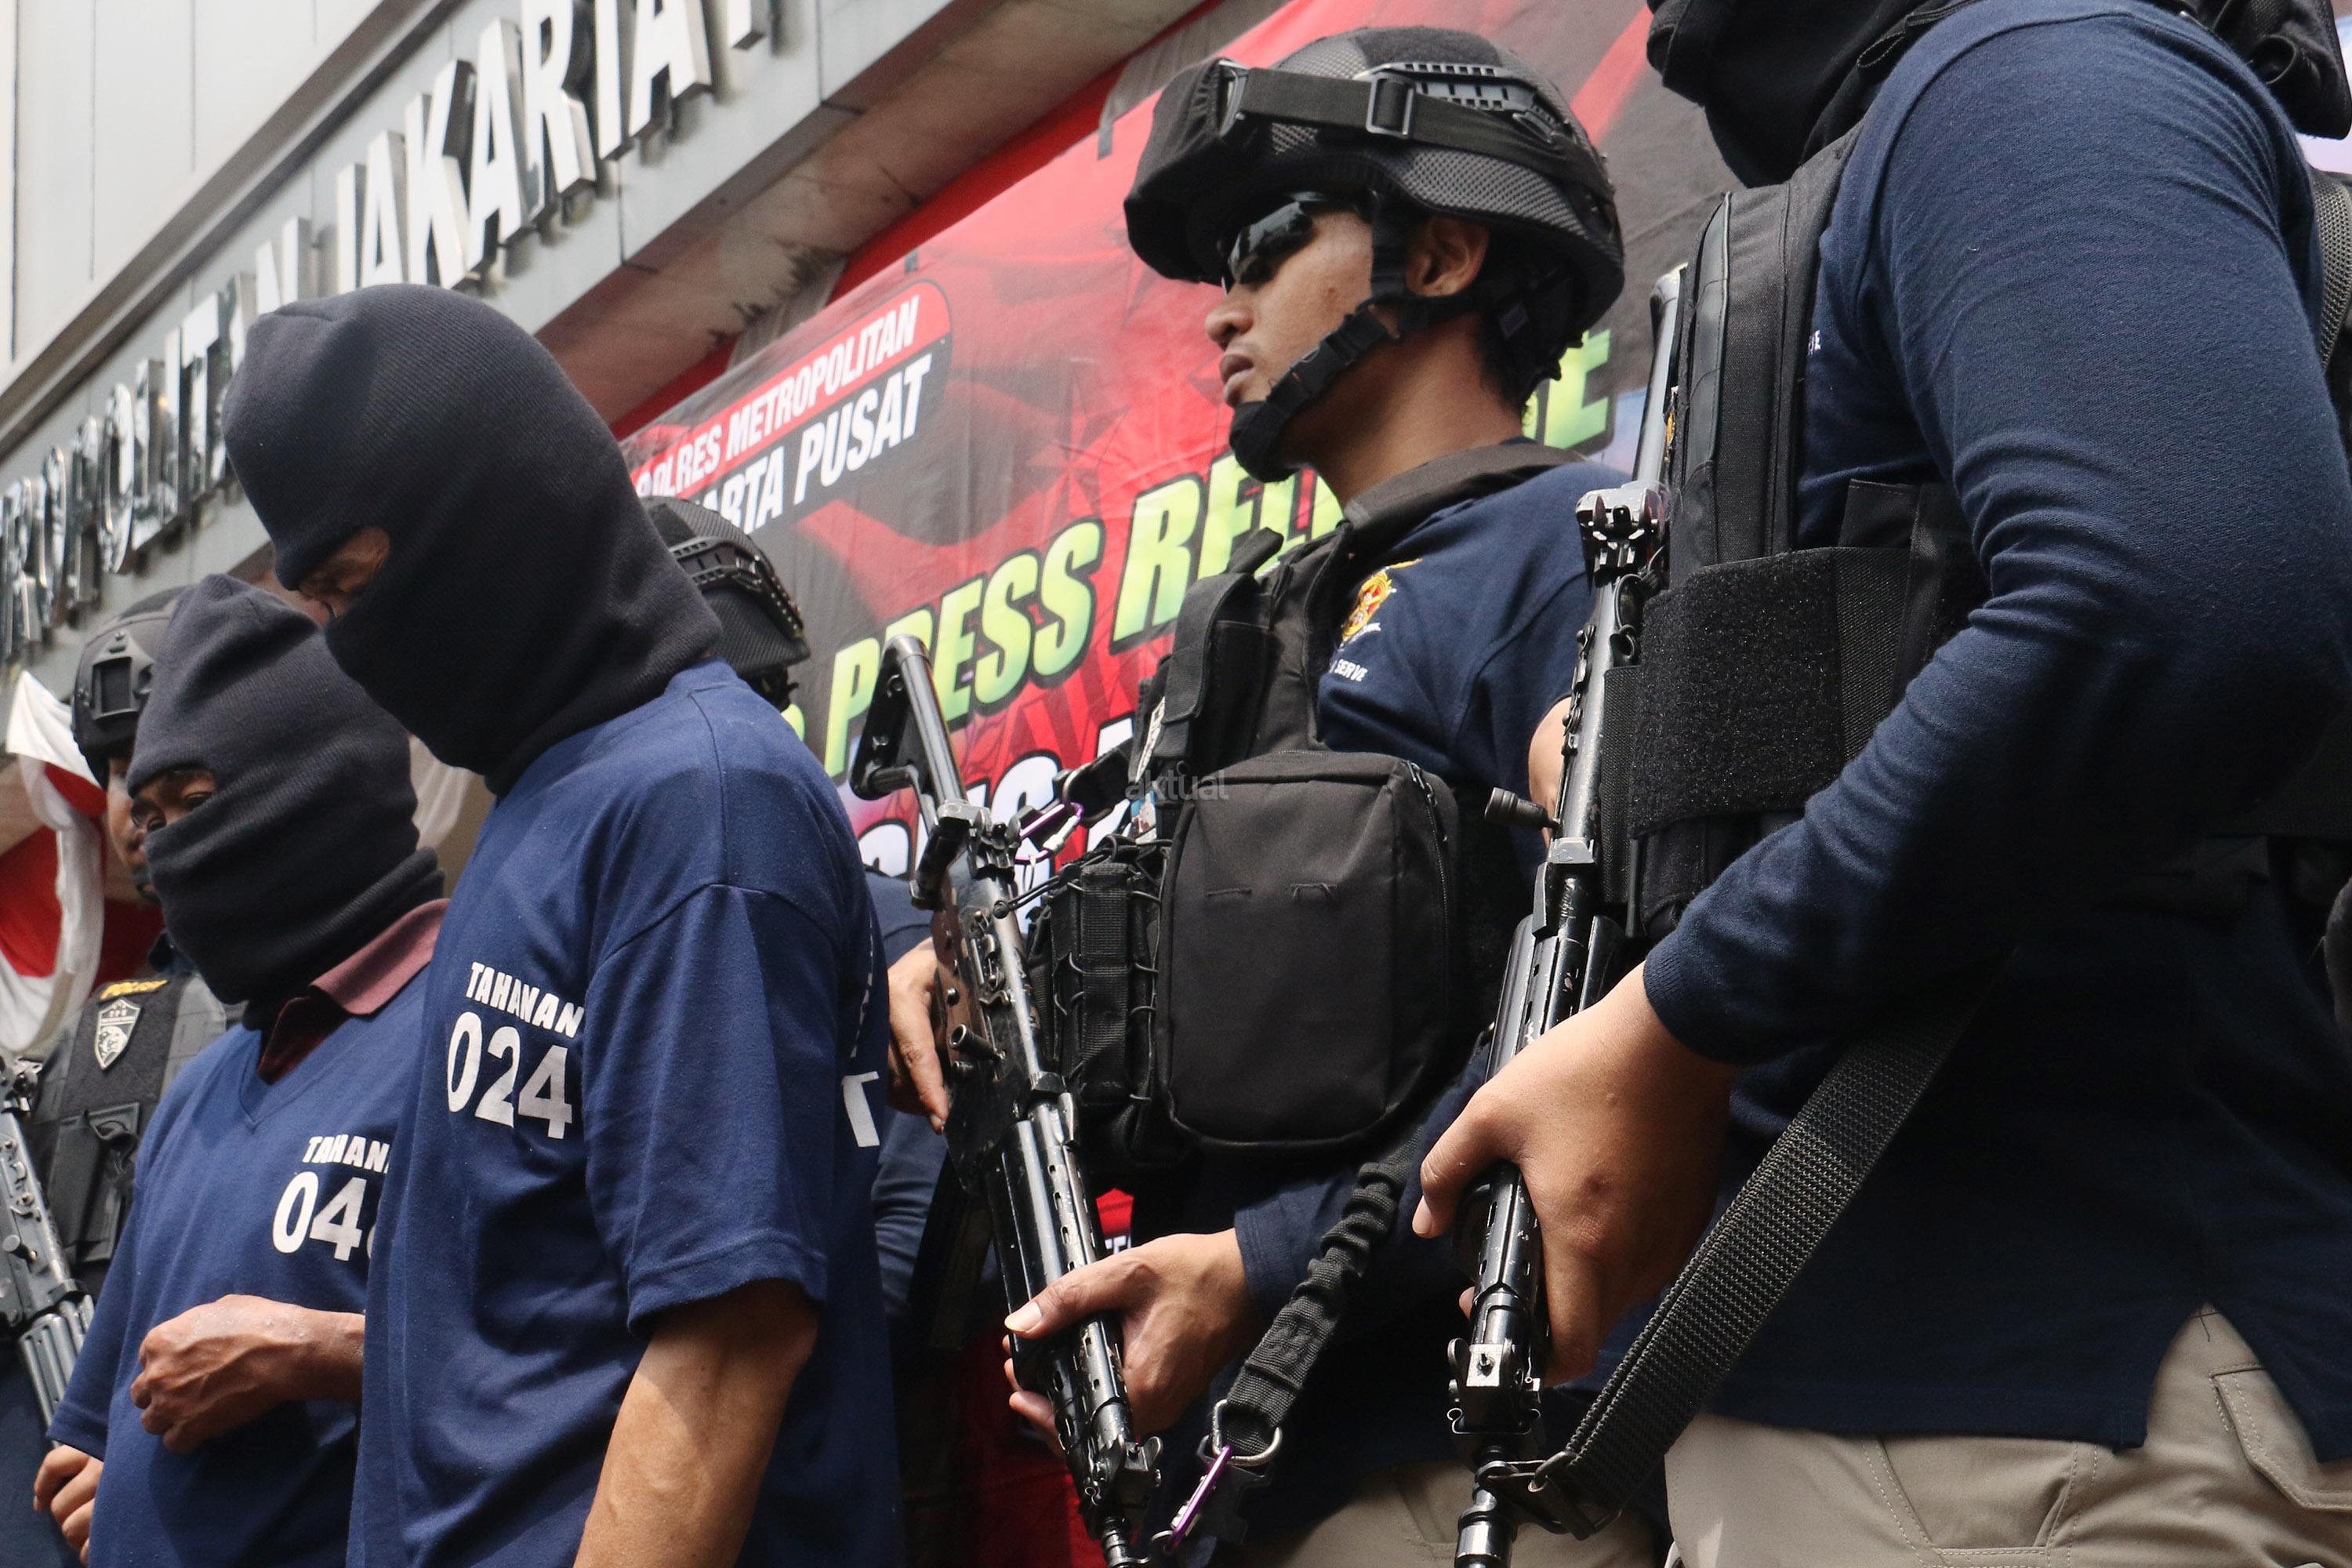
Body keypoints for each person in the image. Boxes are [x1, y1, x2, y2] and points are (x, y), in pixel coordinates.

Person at [1415, 2, 2352, 1564]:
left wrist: (1681, 1019)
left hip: (2056, 1409)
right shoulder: (1939, 131)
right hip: (1947, 1413)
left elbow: (2177, 600)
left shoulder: (2027, 68)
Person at [895, 28, 1653, 1563]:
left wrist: (1260, 1265)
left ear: (1437, 255)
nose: (1221, 308)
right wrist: (996, 975)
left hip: (1463, 1468)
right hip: (1238, 1487)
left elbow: (1617, 1018)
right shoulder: (1249, 632)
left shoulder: (1574, 557)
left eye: (1263, 244)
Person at [222, 282, 898, 1568]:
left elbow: (727, 1343)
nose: (353, 646)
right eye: (321, 608)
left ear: (490, 514)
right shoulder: (542, 810)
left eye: (358, 585)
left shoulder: (700, 802)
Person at [34, 575, 445, 1565]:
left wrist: (315, 1353)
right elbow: (95, 1437)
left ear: (315, 786)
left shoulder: (466, 1023)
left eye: (197, 802)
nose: (167, 845)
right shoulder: (202, 1089)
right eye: (151, 812)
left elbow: (575, 1350)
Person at [2, 590, 234, 1568]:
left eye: (168, 760)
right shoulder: (100, 1030)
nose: (134, 797)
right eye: (115, 766)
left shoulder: (362, 1002)